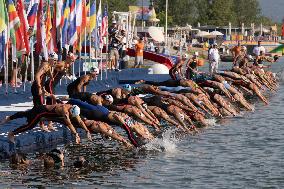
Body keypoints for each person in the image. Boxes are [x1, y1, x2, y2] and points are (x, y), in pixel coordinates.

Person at [0, 104, 92, 144]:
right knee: (30, 126)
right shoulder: (65, 111)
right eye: (73, 115)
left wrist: (87, 130)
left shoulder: (72, 108)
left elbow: (80, 121)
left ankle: (9, 118)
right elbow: (69, 124)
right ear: (71, 112)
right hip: (40, 112)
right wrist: (75, 134)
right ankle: (11, 133)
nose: (73, 117)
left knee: (26, 113)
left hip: (41, 110)